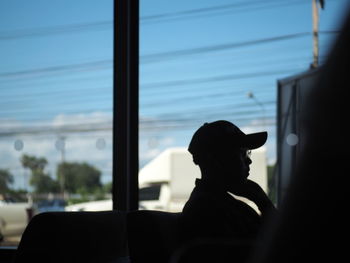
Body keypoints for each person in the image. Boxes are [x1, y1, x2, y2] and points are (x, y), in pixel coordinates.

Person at [179, 120, 276, 246]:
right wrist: (263, 202)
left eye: (248, 153)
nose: (249, 161)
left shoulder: (223, 204)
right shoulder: (207, 210)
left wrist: (261, 199)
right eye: (242, 153)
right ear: (216, 159)